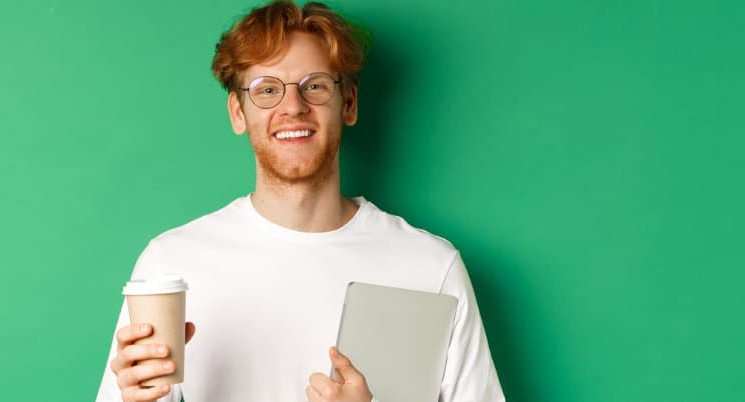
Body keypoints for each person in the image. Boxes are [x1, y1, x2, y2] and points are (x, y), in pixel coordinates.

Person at [94, 1, 506, 401]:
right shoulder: (172, 264)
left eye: (315, 86)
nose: (293, 106)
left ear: (349, 103)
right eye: (266, 89)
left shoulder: (430, 268)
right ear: (238, 112)